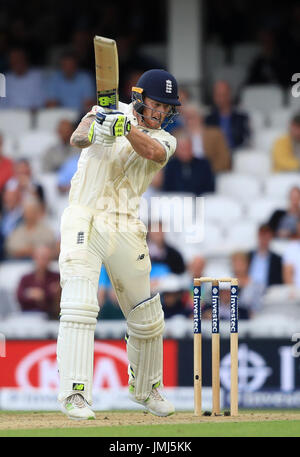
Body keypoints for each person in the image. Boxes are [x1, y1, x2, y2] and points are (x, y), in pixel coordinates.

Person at [56, 68, 181, 420]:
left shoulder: (167, 140)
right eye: (156, 104)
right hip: (86, 215)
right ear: (140, 98)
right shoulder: (105, 111)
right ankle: (75, 393)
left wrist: (125, 130)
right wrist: (99, 125)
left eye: (166, 108)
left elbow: (154, 152)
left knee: (147, 315)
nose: (160, 113)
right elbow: (77, 140)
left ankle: (147, 389)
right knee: (81, 304)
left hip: (126, 223)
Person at [180, 103, 231, 172]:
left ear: (201, 117)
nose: (188, 121)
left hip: (211, 174)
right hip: (185, 176)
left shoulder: (215, 134)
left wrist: (206, 172)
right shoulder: (177, 135)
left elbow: (224, 159)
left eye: (191, 117)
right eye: (185, 117)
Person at [16, 244, 60, 319]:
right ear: (34, 257)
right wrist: (46, 294)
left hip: (51, 317)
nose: (44, 261)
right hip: (27, 317)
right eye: (41, 257)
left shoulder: (56, 277)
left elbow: (56, 298)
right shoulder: (26, 278)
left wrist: (35, 294)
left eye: (47, 258)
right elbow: (19, 296)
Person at [205, 80, 251, 151]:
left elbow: (247, 139)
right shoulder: (208, 120)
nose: (220, 99)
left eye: (223, 95)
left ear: (229, 96)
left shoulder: (242, 118)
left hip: (237, 154)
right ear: (214, 97)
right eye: (218, 95)